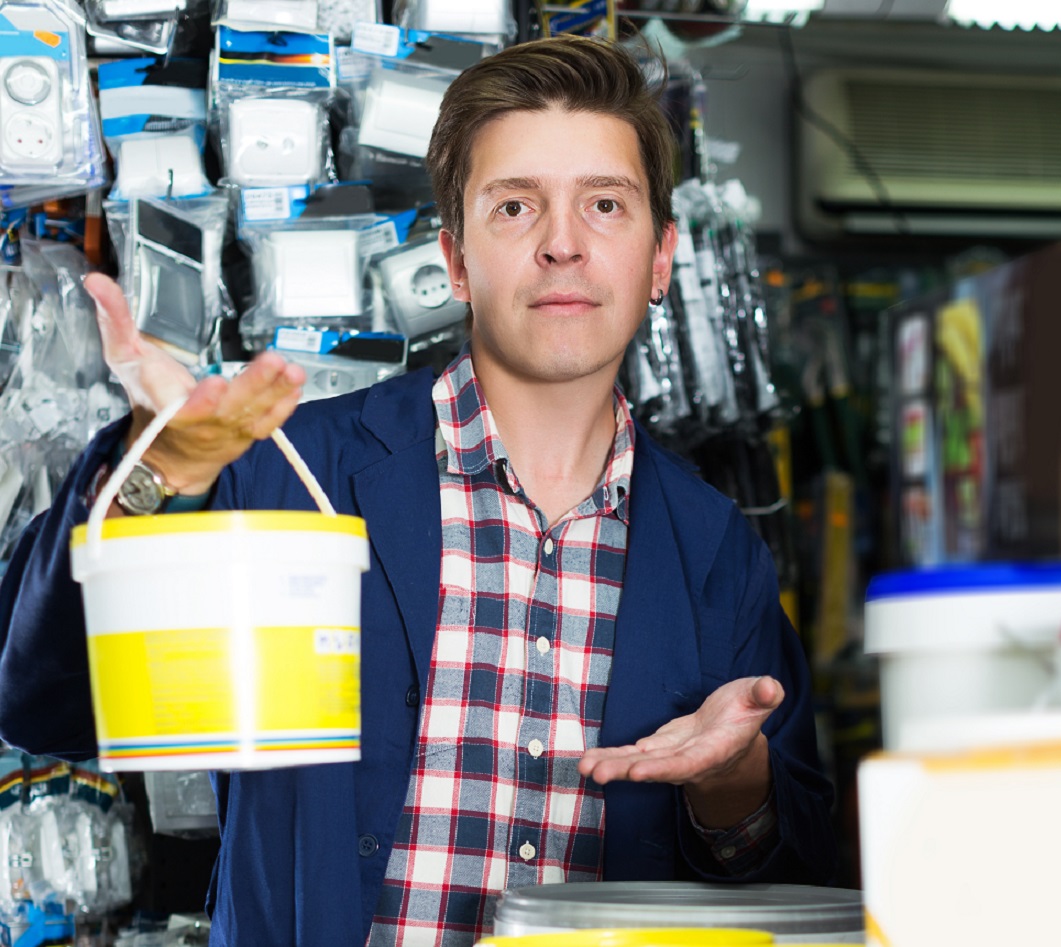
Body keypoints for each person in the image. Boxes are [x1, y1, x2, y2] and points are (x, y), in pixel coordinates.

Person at [0, 35, 836, 947]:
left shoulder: (717, 552)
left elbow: (785, 874)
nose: (562, 244)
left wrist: (731, 784)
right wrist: (161, 473)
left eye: (605, 204)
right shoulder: (287, 474)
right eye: (514, 206)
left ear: (662, 256)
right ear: (458, 259)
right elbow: (41, 704)